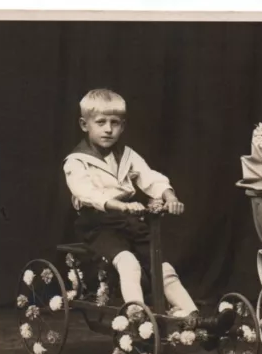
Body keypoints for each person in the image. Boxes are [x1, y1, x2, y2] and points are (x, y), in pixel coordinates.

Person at [62, 88, 235, 340]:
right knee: (129, 263)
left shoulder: (127, 155)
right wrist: (115, 204)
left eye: (115, 123)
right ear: (84, 124)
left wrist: (169, 195)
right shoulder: (77, 161)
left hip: (129, 222)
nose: (108, 129)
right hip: (98, 224)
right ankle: (136, 319)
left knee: (162, 266)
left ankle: (195, 318)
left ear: (123, 126)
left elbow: (149, 177)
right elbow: (84, 191)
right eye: (100, 123)